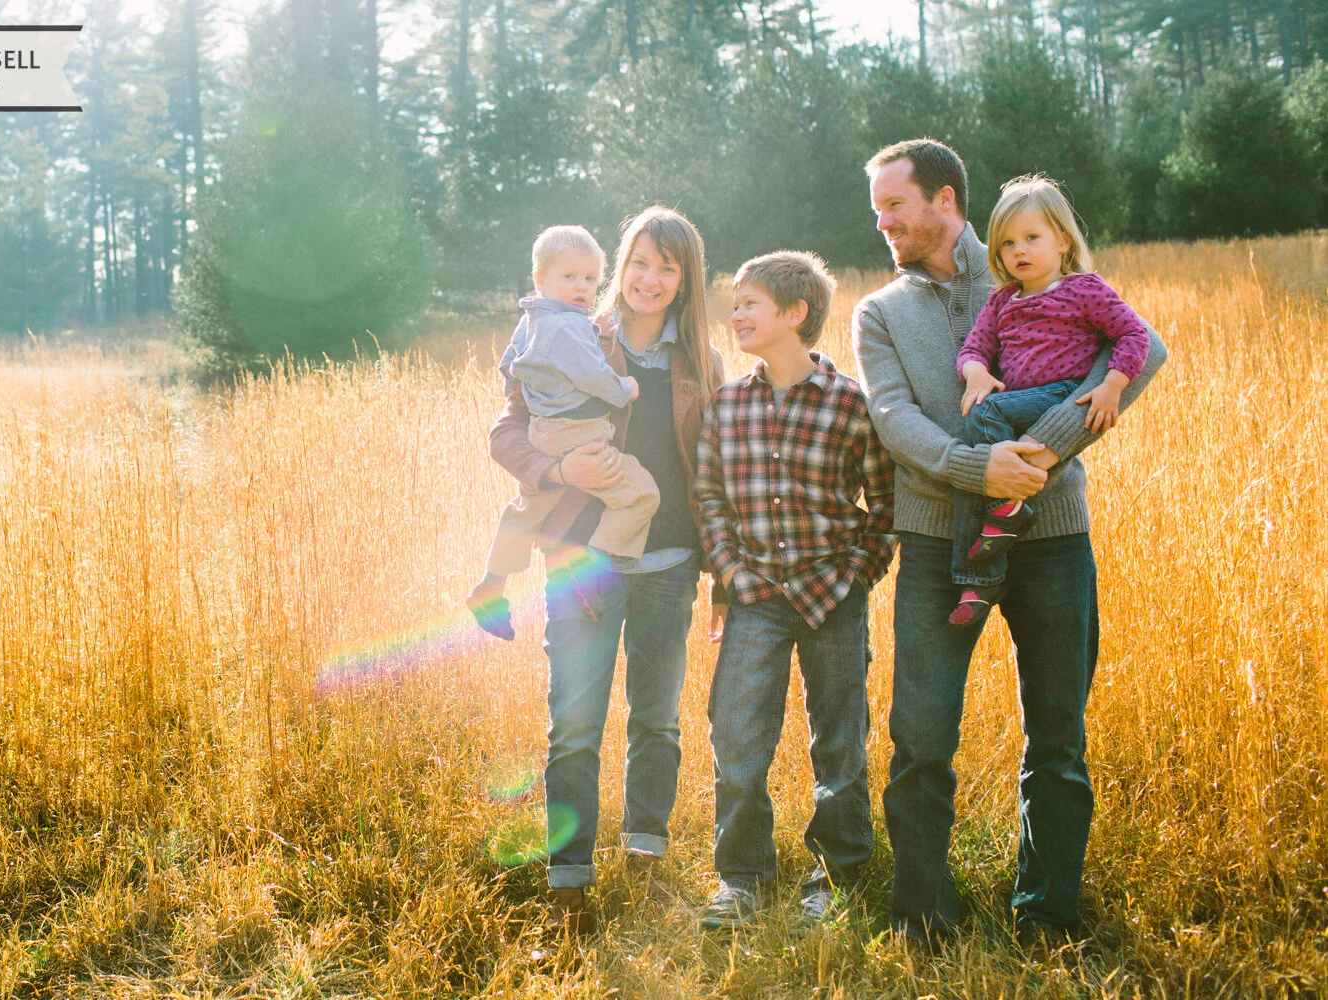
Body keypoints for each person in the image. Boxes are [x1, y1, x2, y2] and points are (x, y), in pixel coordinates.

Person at [851, 138, 1168, 948]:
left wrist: (1048, 448)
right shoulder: (880, 312)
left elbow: (1143, 349)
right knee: (921, 739)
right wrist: (976, 466)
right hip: (933, 545)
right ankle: (923, 917)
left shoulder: (1027, 261)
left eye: (894, 204)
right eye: (878, 206)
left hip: (1053, 536)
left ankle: (1048, 918)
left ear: (944, 198)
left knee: (1057, 736)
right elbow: (892, 419)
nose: (881, 219)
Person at [487, 207, 724, 934]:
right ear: (620, 265)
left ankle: (647, 867)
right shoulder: (569, 331)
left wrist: (718, 572)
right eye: (641, 262)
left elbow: (713, 471)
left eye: (669, 267)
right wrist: (555, 469)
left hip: (670, 566)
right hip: (582, 563)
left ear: (687, 281)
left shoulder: (700, 362)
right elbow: (507, 430)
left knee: (657, 722)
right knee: (576, 728)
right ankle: (568, 887)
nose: (651, 279)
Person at [693, 251, 896, 931]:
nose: (737, 313)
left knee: (840, 739)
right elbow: (710, 498)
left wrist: (856, 576)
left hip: (833, 595)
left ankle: (835, 878)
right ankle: (743, 877)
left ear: (795, 313)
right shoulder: (728, 407)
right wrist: (734, 573)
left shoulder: (850, 404)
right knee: (738, 734)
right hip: (756, 598)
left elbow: (886, 505)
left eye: (750, 302)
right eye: (736, 303)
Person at [947, 176, 1153, 628]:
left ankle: (1004, 519)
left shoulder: (1085, 288)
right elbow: (974, 349)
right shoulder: (1002, 300)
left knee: (987, 413)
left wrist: (1113, 384)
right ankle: (978, 580)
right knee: (974, 472)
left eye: (1031, 238)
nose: (1018, 250)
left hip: (1062, 393)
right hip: (1018, 400)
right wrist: (977, 372)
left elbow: (1133, 335)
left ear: (1062, 240)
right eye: (1006, 244)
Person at [468, 225, 658, 641]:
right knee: (641, 493)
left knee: (528, 508)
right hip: (581, 434)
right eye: (569, 277)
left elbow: (509, 366)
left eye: (590, 279)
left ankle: (492, 584)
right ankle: (589, 566)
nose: (581, 288)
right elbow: (596, 378)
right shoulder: (571, 327)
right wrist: (627, 390)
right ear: (540, 279)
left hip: (544, 432)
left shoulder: (531, 319)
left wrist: (529, 396)